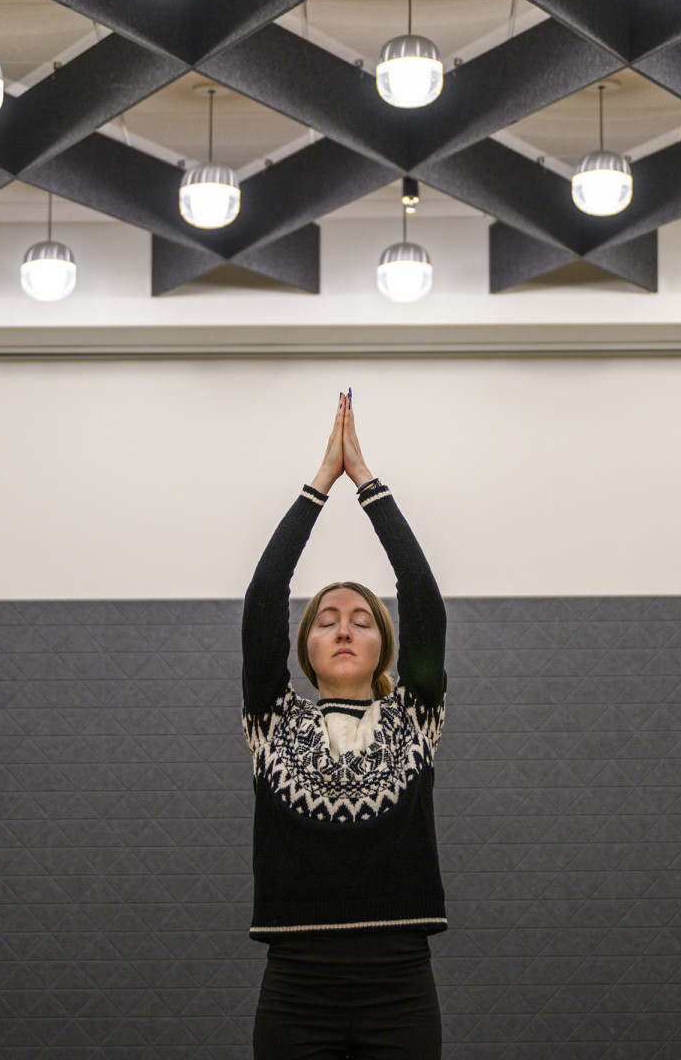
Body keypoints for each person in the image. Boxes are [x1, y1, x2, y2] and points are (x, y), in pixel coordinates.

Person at [241, 387, 448, 1060]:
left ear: (385, 648)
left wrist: (367, 482)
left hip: (400, 979)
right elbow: (264, 598)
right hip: (298, 983)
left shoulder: (415, 717)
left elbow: (422, 601)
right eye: (326, 619)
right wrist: (318, 483)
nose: (343, 628)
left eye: (361, 620)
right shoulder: (273, 720)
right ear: (303, 648)